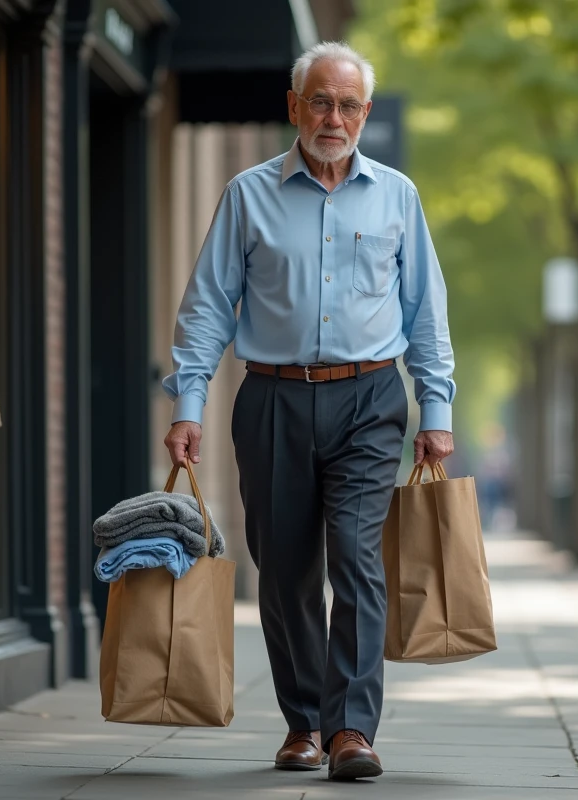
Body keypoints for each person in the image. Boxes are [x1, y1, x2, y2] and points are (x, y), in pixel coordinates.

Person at [161, 41, 456, 781]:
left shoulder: (397, 196)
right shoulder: (247, 195)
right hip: (271, 398)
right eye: (321, 101)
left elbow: (425, 312)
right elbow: (204, 311)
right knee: (285, 568)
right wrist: (188, 403)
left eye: (349, 104)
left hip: (370, 399)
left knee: (356, 558)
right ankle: (303, 723)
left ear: (364, 113)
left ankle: (351, 728)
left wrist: (437, 407)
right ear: (294, 107)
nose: (335, 117)